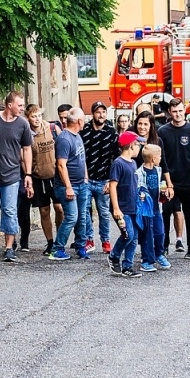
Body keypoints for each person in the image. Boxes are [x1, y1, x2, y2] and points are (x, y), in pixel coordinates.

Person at [0, 90, 35, 263]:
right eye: (20, 105)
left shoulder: (23, 125)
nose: (22, 108)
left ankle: (9, 248)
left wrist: (28, 174)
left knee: (10, 210)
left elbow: (27, 149)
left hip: (12, 174)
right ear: (10, 105)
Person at [47, 108, 92, 260]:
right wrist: (68, 187)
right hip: (67, 186)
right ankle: (57, 248)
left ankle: (81, 246)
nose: (85, 122)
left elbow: (81, 159)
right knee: (72, 217)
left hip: (81, 184)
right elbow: (61, 165)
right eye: (83, 119)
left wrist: (85, 178)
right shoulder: (64, 139)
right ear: (79, 121)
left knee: (82, 217)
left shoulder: (77, 136)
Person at [157, 102, 190, 258]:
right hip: (169, 182)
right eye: (174, 111)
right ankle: (164, 246)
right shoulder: (162, 131)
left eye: (180, 111)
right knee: (165, 214)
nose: (178, 114)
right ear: (169, 112)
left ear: (185, 111)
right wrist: (165, 182)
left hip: (188, 181)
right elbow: (160, 158)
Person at [81, 102, 119, 255]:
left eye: (104, 112)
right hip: (87, 178)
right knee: (85, 211)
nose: (101, 115)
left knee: (103, 212)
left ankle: (106, 240)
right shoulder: (84, 130)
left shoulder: (111, 132)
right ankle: (88, 239)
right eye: (98, 112)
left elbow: (115, 158)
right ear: (92, 114)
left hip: (104, 179)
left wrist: (111, 181)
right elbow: (80, 155)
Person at [19, 104, 57, 253]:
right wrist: (28, 177)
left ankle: (60, 239)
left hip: (54, 175)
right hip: (38, 177)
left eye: (39, 115)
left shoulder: (51, 128)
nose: (37, 119)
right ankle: (50, 242)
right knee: (44, 211)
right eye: (34, 116)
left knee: (59, 208)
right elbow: (23, 158)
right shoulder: (26, 134)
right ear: (28, 118)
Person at [107, 131, 143, 277]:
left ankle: (127, 266)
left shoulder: (133, 163)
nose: (140, 148)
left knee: (134, 238)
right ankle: (114, 256)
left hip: (133, 206)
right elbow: (113, 186)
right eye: (138, 144)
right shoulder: (118, 163)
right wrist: (116, 207)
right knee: (128, 234)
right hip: (122, 208)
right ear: (132, 145)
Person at [138, 144, 169, 271]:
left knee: (160, 232)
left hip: (157, 208)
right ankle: (146, 260)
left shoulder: (158, 170)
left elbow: (160, 185)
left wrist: (164, 191)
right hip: (146, 210)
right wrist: (140, 195)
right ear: (153, 158)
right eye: (159, 156)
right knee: (147, 235)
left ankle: (159, 254)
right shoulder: (140, 173)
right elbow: (138, 189)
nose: (161, 158)